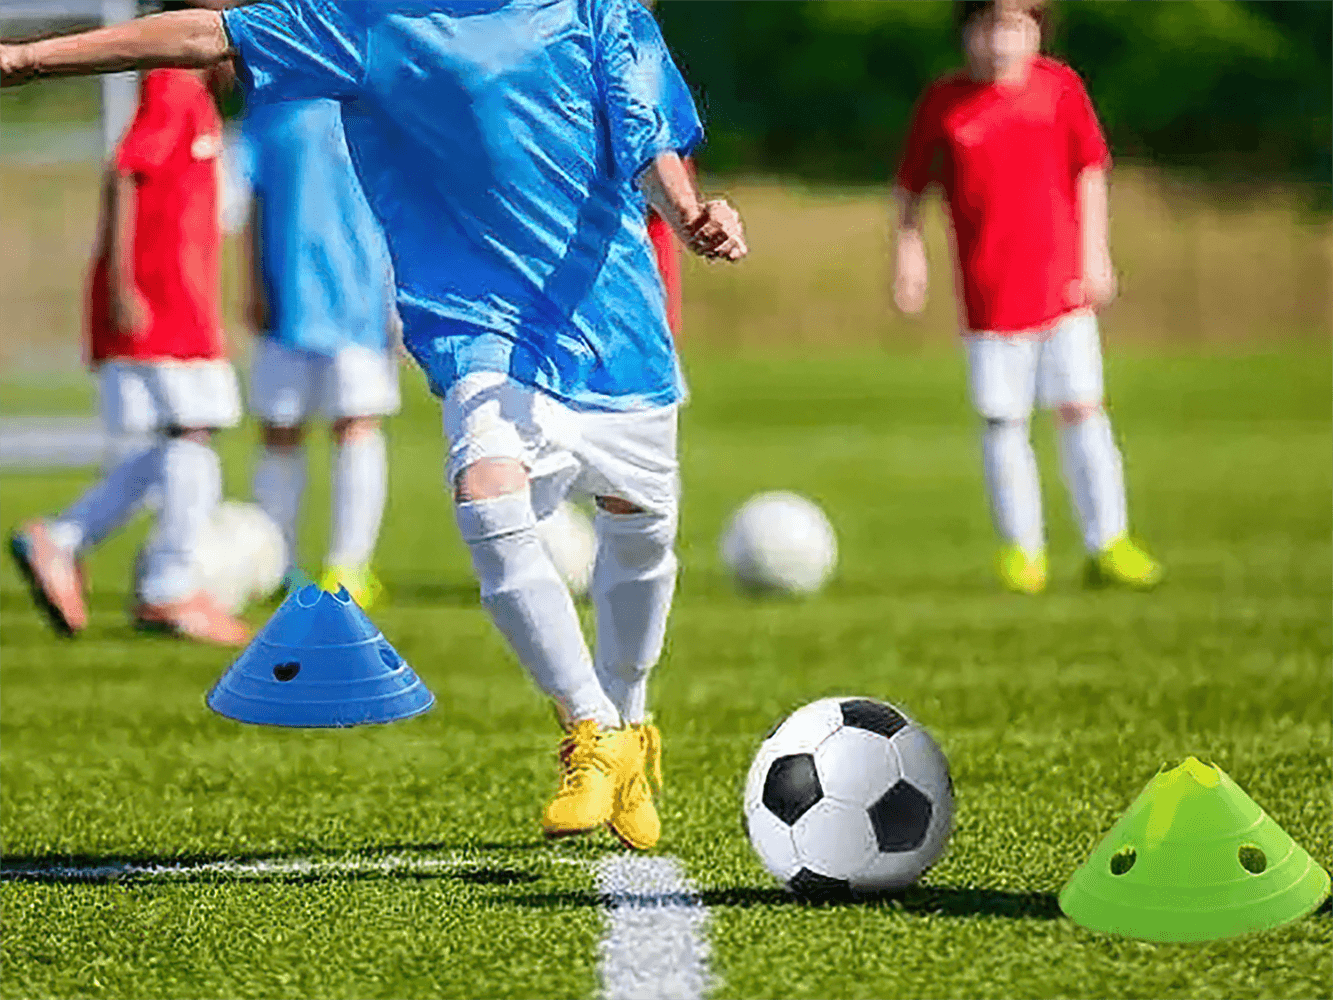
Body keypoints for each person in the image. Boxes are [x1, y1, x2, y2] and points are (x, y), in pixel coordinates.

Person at [0, 0, 747, 849]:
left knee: (639, 537)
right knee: (486, 494)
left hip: (614, 325)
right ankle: (589, 727)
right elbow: (209, 33)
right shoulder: (368, 21)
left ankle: (630, 722)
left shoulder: (597, 9)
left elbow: (647, 137)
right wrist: (27, 60)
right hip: (479, 325)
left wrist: (689, 213)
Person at [893, 0, 1162, 594]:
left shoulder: (1060, 89)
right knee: (1003, 421)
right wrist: (909, 256)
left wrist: (1095, 253)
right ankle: (1023, 551)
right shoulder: (945, 102)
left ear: (1037, 31)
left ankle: (1108, 542)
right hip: (989, 293)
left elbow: (1089, 170)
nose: (1001, 41)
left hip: (1062, 284)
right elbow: (911, 187)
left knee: (1082, 409)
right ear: (967, 32)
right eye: (988, 27)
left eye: (1015, 27)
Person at [7, 20, 249, 646]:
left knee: (181, 442)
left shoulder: (197, 100)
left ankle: (64, 540)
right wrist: (121, 283)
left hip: (183, 307)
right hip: (159, 303)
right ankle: (168, 588)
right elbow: (124, 171)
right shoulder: (174, 84)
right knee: (192, 435)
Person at [239, 97, 400, 608]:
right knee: (281, 430)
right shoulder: (271, 109)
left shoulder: (371, 104)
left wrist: (395, 298)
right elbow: (252, 201)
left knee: (356, 424)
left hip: (360, 301)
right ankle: (277, 565)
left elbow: (397, 205)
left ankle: (349, 565)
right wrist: (253, 284)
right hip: (287, 298)